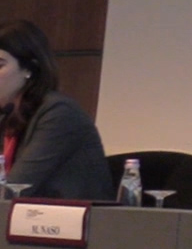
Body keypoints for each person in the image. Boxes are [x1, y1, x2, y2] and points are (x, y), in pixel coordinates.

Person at [0, 20, 111, 201]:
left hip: (74, 217)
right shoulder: (8, 115)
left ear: (29, 68)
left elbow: (15, 188)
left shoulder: (58, 113)